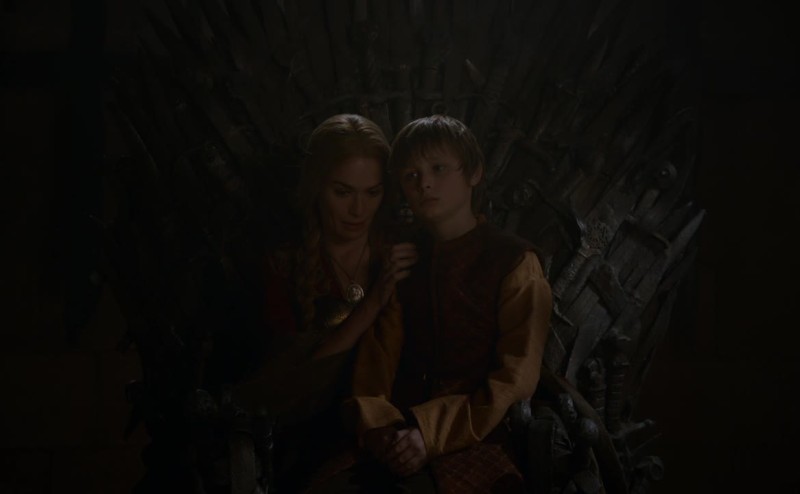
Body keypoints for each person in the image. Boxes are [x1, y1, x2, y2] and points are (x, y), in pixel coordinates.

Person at [342, 114, 553, 493]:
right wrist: (380, 428)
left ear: (473, 172)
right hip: (394, 436)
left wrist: (429, 434)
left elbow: (516, 378)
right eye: (411, 175)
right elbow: (376, 362)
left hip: (478, 438)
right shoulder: (403, 259)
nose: (424, 183)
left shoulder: (515, 262)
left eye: (438, 169)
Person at [231, 113, 418, 493]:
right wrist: (372, 304)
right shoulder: (284, 267)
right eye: (343, 192)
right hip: (311, 445)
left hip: (402, 436)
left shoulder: (405, 251)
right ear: (317, 187)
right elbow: (283, 388)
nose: (358, 210)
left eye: (372, 193)